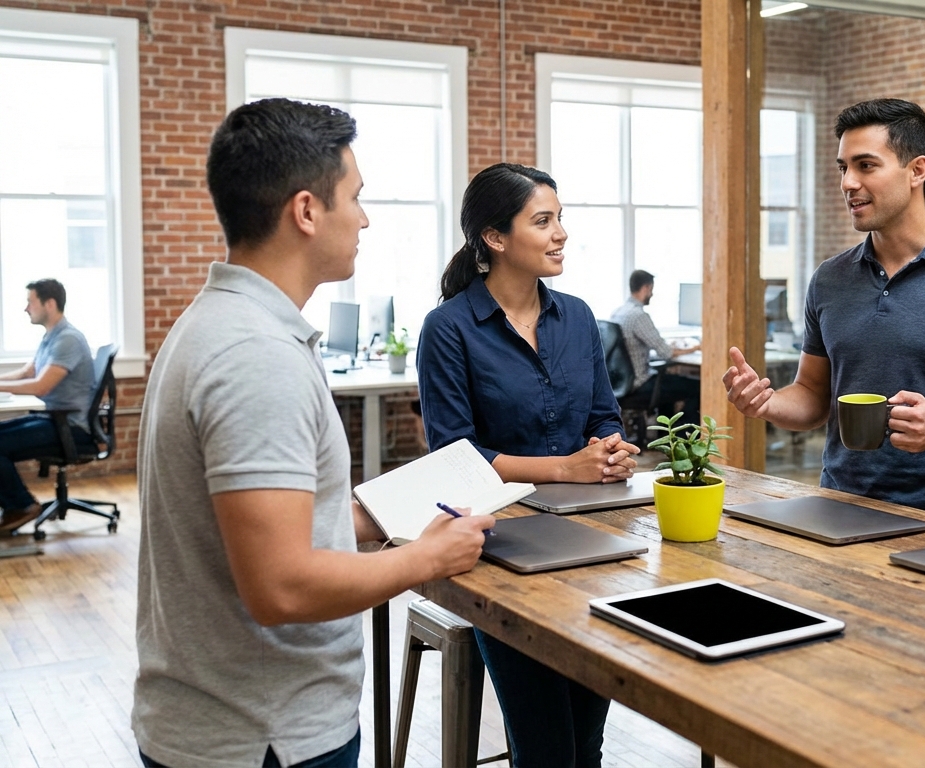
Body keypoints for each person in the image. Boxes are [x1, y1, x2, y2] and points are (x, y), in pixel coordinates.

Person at [133, 98, 493, 768]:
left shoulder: (221, 323)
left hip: (231, 720)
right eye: (354, 197)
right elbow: (282, 586)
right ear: (305, 211)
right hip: (264, 736)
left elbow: (259, 525)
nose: (364, 218)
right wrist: (429, 557)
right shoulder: (255, 355)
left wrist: (367, 515)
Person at [722, 98, 925, 522]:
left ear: (917, 170)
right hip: (837, 509)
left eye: (865, 166)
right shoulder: (829, 279)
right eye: (843, 168)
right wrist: (766, 404)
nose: (848, 182)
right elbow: (813, 397)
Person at [416, 162, 639, 767]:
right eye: (543, 221)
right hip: (498, 546)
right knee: (546, 751)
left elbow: (604, 414)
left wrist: (610, 448)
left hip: (591, 538)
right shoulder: (448, 329)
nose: (560, 233)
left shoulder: (579, 317)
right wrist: (565, 467)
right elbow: (454, 458)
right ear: (495, 237)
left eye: (560, 218)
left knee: (585, 745)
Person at [0, 279, 95, 534]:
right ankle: (14, 506)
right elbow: (27, 373)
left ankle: (22, 506)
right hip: (55, 420)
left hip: (71, 429)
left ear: (49, 304)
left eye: (30, 302)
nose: (26, 308)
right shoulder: (52, 337)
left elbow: (40, 386)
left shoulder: (68, 339)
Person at [609, 269, 701, 425]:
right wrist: (696, 347)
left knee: (669, 388)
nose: (652, 294)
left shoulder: (618, 312)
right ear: (646, 288)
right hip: (640, 384)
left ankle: (664, 435)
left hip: (621, 384)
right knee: (697, 387)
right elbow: (666, 353)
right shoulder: (639, 316)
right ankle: (683, 435)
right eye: (651, 289)